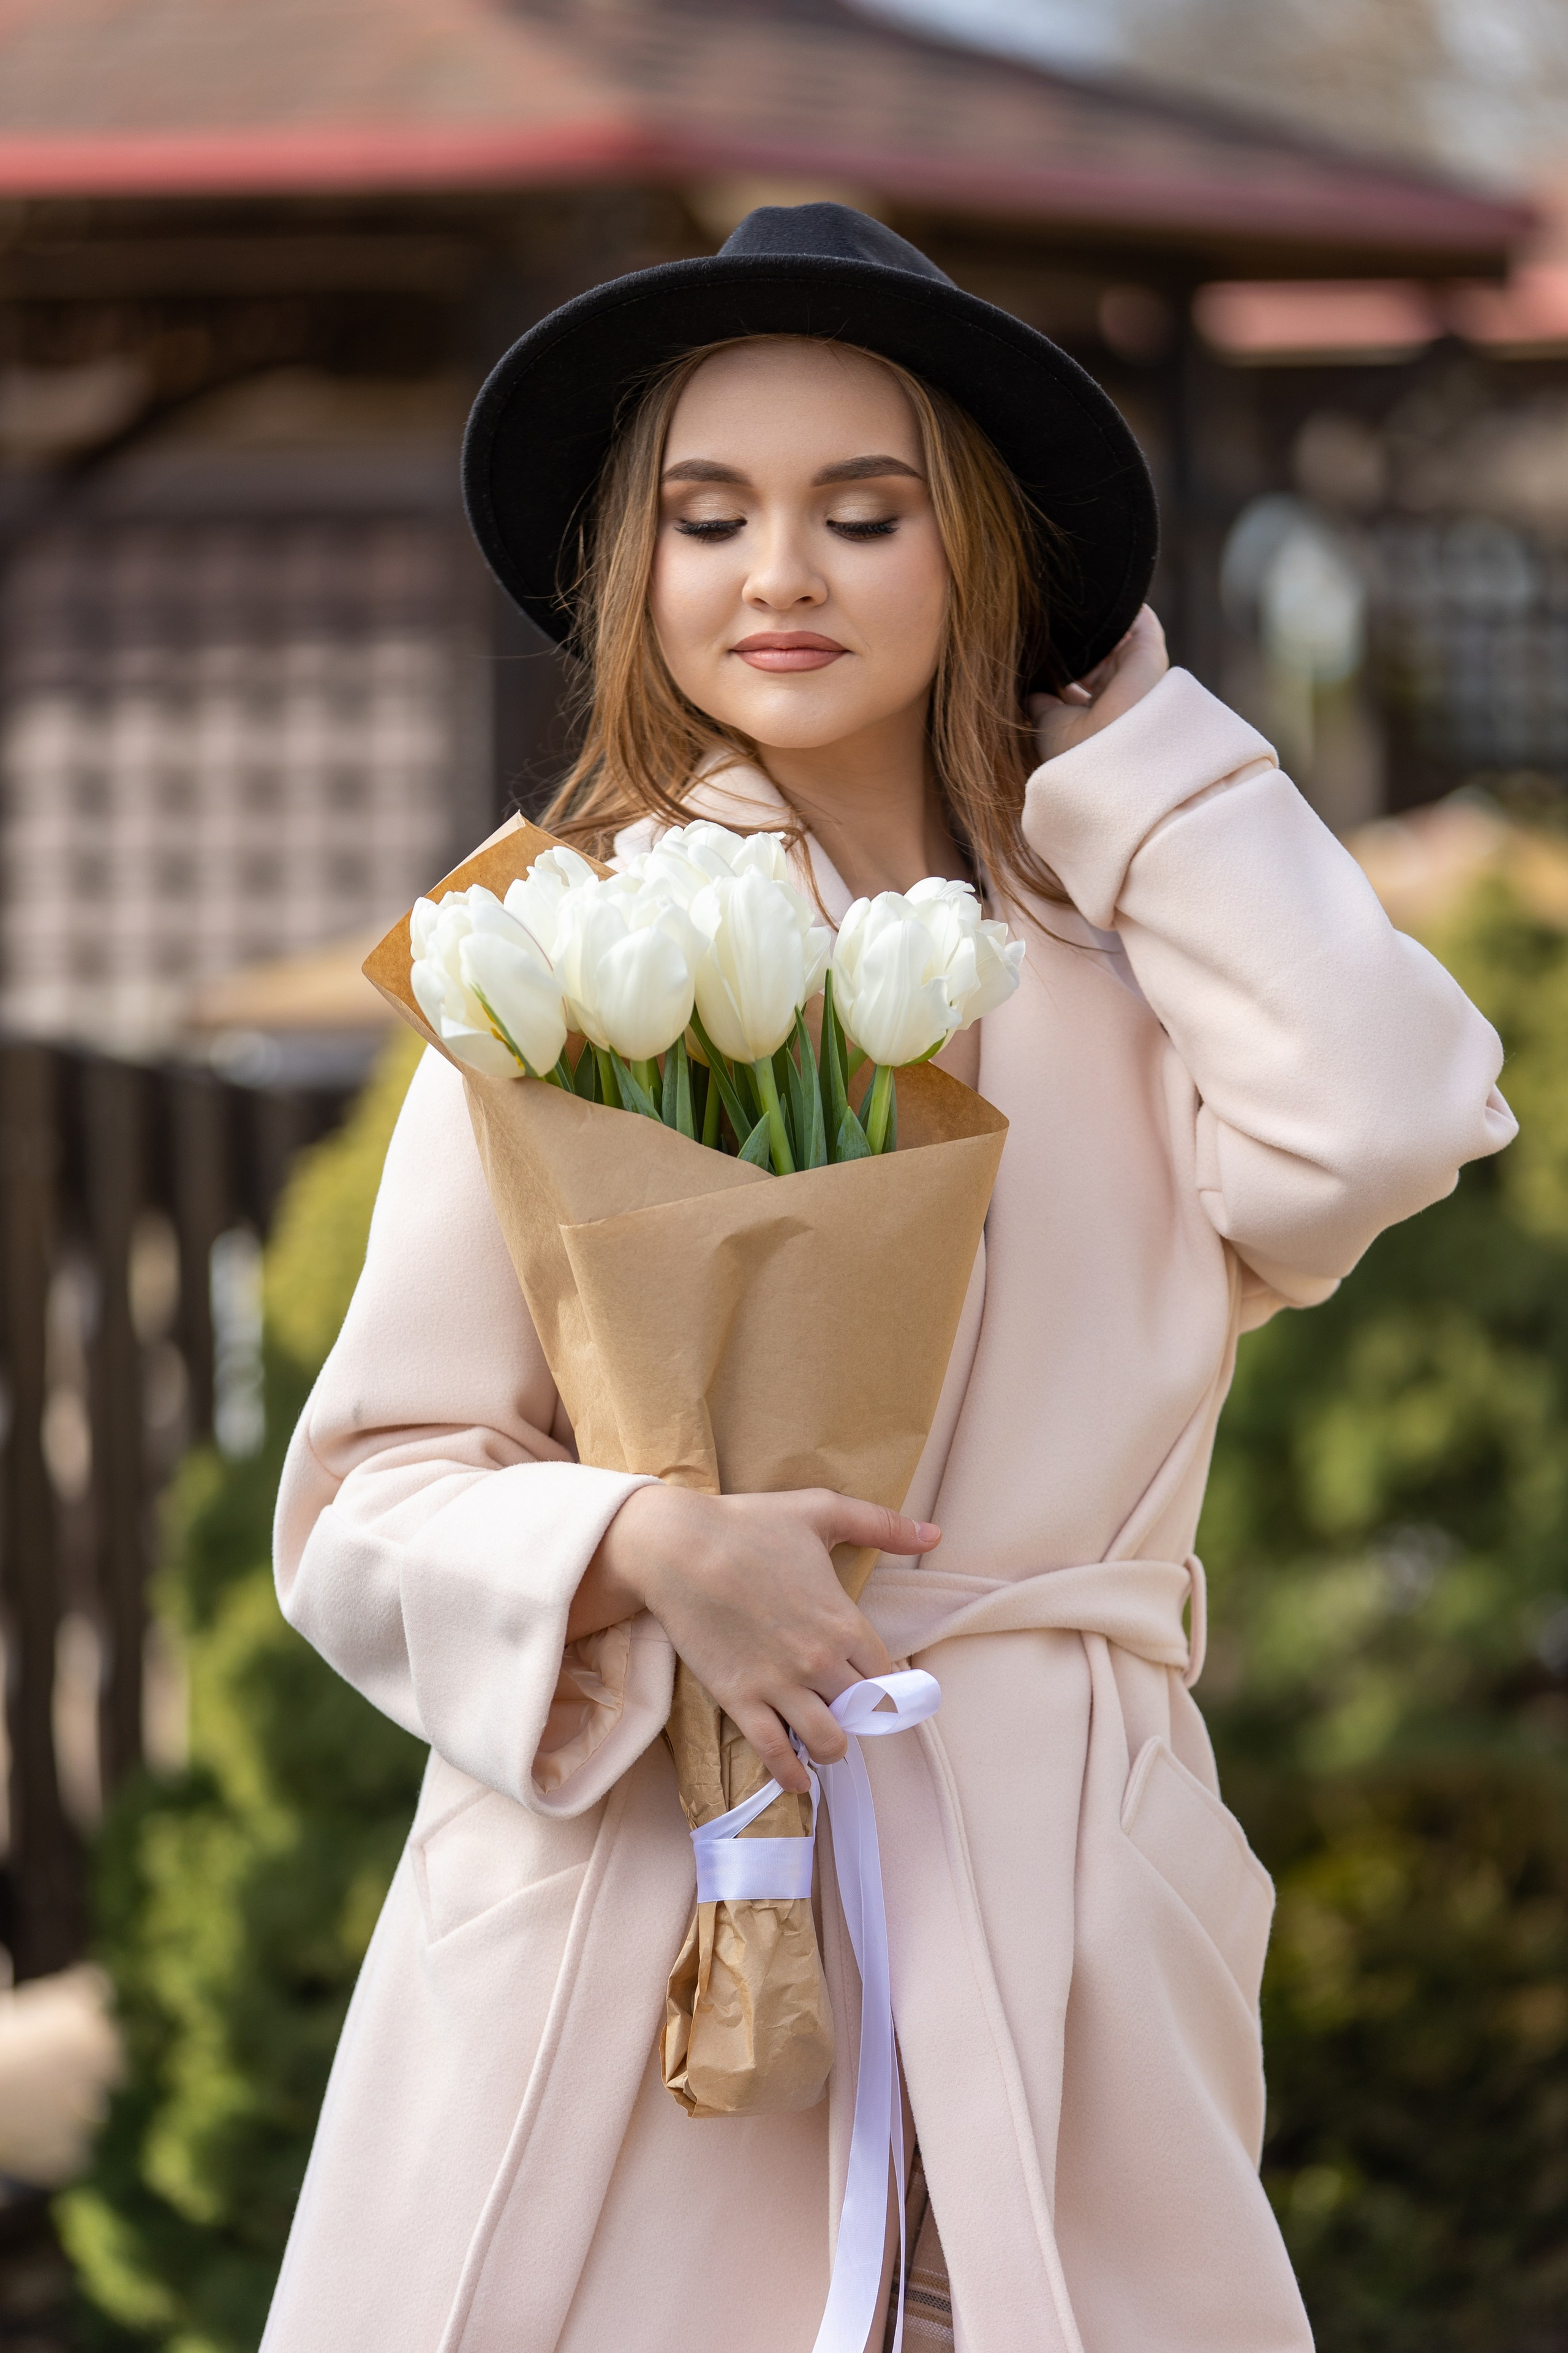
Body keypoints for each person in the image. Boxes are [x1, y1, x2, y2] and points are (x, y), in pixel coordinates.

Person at [262, 208, 1514, 2353]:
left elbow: (1393, 1115)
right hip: (660, 1894)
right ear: (630, 575)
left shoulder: (1144, 980)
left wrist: (1137, 758)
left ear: (984, 561)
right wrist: (654, 1539)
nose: (782, 575)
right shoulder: (556, 961)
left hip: (1057, 1883)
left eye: (867, 512)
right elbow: (365, 1499)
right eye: (709, 516)